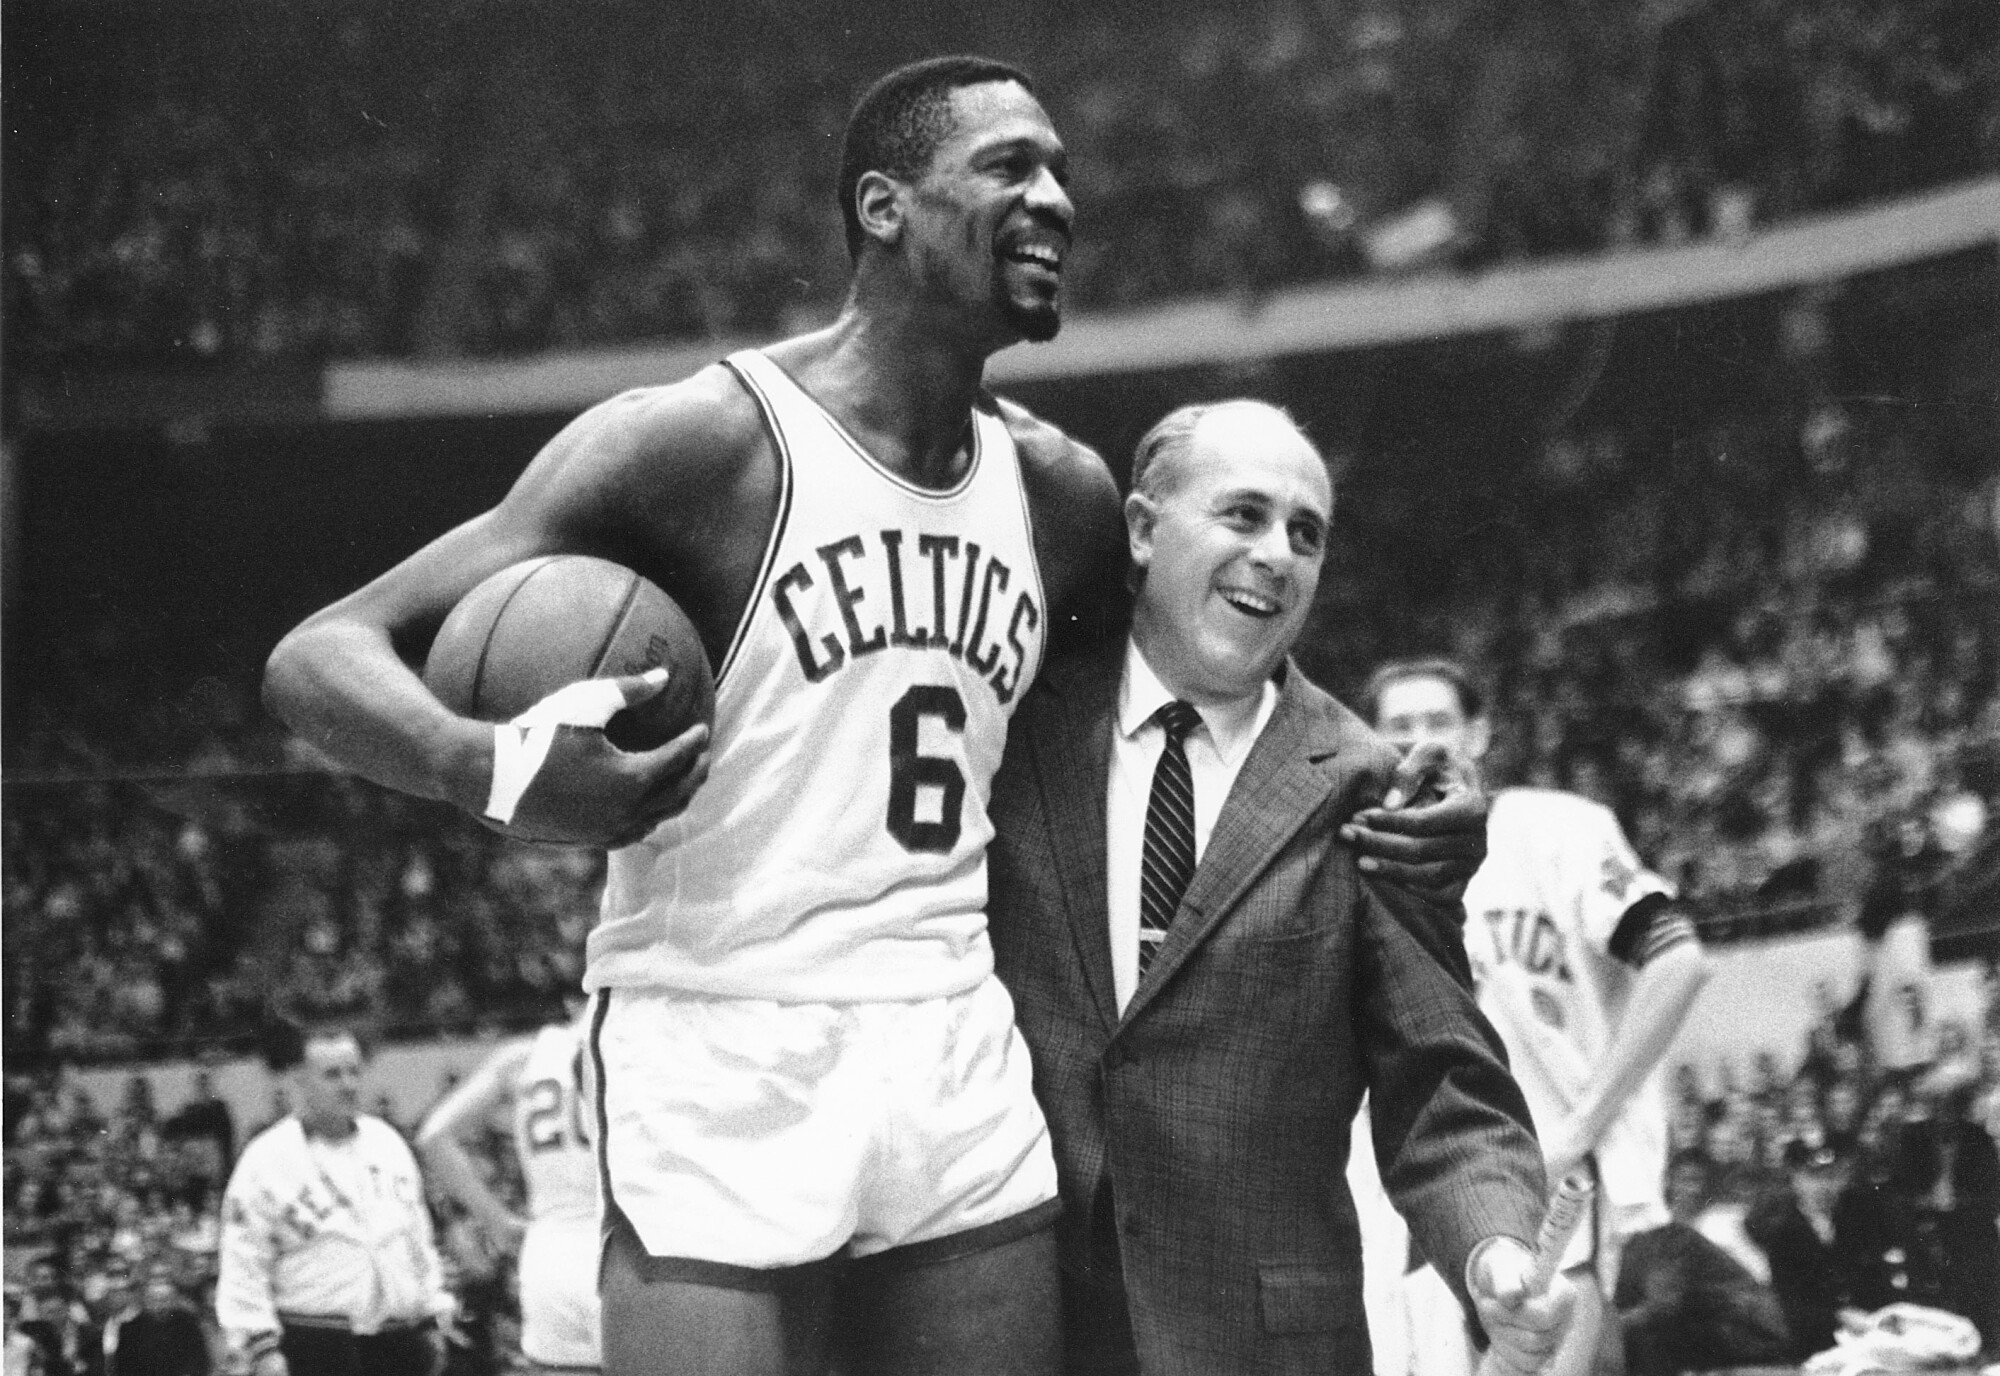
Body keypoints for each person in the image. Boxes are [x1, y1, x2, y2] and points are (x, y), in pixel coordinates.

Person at [262, 56, 1483, 1376]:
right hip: (721, 1022)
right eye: (1012, 167)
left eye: (1063, 172)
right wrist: (482, 765)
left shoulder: (1058, 492)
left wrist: (1393, 778)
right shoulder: (705, 445)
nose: (1058, 199)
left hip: (948, 1025)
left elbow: (1218, 661)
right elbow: (321, 654)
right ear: (885, 207)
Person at [984, 401, 1571, 1375]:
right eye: (1242, 514)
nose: (1277, 553)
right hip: (1030, 1324)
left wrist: (1493, 1247)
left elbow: (1442, 1082)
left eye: (1305, 533)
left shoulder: (1367, 786)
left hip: (1263, 1345)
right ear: (1139, 527)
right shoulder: (1015, 726)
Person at [1354, 658, 1713, 1376]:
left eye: (1440, 723)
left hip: (1544, 1171)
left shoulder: (1557, 830)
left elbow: (1678, 960)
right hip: (1409, 1189)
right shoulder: (1362, 853)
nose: (1420, 740)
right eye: (1399, 727)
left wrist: (1580, 1128)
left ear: (1479, 735)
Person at [216, 1021, 455, 1376]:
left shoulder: (388, 1143)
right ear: (301, 1081)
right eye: (332, 1075)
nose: (348, 1085)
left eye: (353, 1072)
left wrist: (432, 1313)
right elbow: (243, 1261)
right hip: (314, 1340)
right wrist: (261, 1347)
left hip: (398, 1341)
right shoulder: (266, 1159)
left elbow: (419, 1240)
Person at [417, 1006, 601, 1372]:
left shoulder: (524, 1056)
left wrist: (496, 1220)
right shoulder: (632, 1047)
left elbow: (433, 1136)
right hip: (617, 1251)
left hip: (548, 1253)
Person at [1612, 1150, 1791, 1376]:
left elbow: (1662, 1307)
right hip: (1726, 1327)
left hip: (1753, 1333)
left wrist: (1605, 1328)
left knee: (1649, 1336)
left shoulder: (1671, 1235)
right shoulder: (1639, 1238)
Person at [101, 1272, 210, 1376]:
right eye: (154, 1300)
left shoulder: (188, 1325)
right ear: (144, 1300)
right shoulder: (130, 1329)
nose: (160, 1306)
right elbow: (123, 1368)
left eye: (164, 1300)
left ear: (173, 1300)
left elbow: (199, 1362)